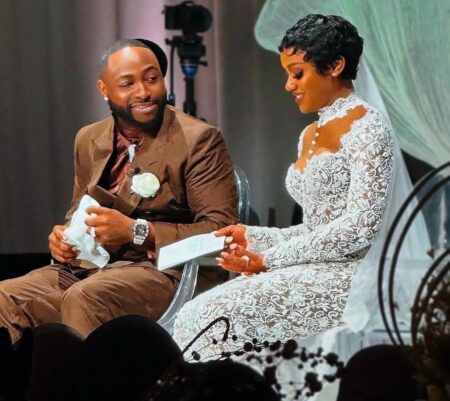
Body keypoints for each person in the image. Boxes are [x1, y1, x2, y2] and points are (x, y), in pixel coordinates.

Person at [173, 15, 395, 356]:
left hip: (353, 276)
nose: (289, 86)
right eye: (288, 75)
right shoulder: (309, 134)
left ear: (335, 66)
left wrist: (268, 259)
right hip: (311, 267)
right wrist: (253, 237)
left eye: (297, 73)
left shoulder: (369, 127)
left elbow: (359, 228)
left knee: (206, 316)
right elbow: (314, 229)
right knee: (196, 316)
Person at [0, 38, 238, 342]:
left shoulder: (199, 140)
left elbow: (222, 230)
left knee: (86, 297)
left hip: (163, 271)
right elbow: (79, 210)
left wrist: (137, 231)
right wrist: (63, 239)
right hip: (90, 266)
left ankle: (91, 376)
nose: (144, 92)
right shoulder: (88, 138)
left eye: (152, 79)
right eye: (127, 84)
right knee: (4, 296)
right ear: (104, 89)